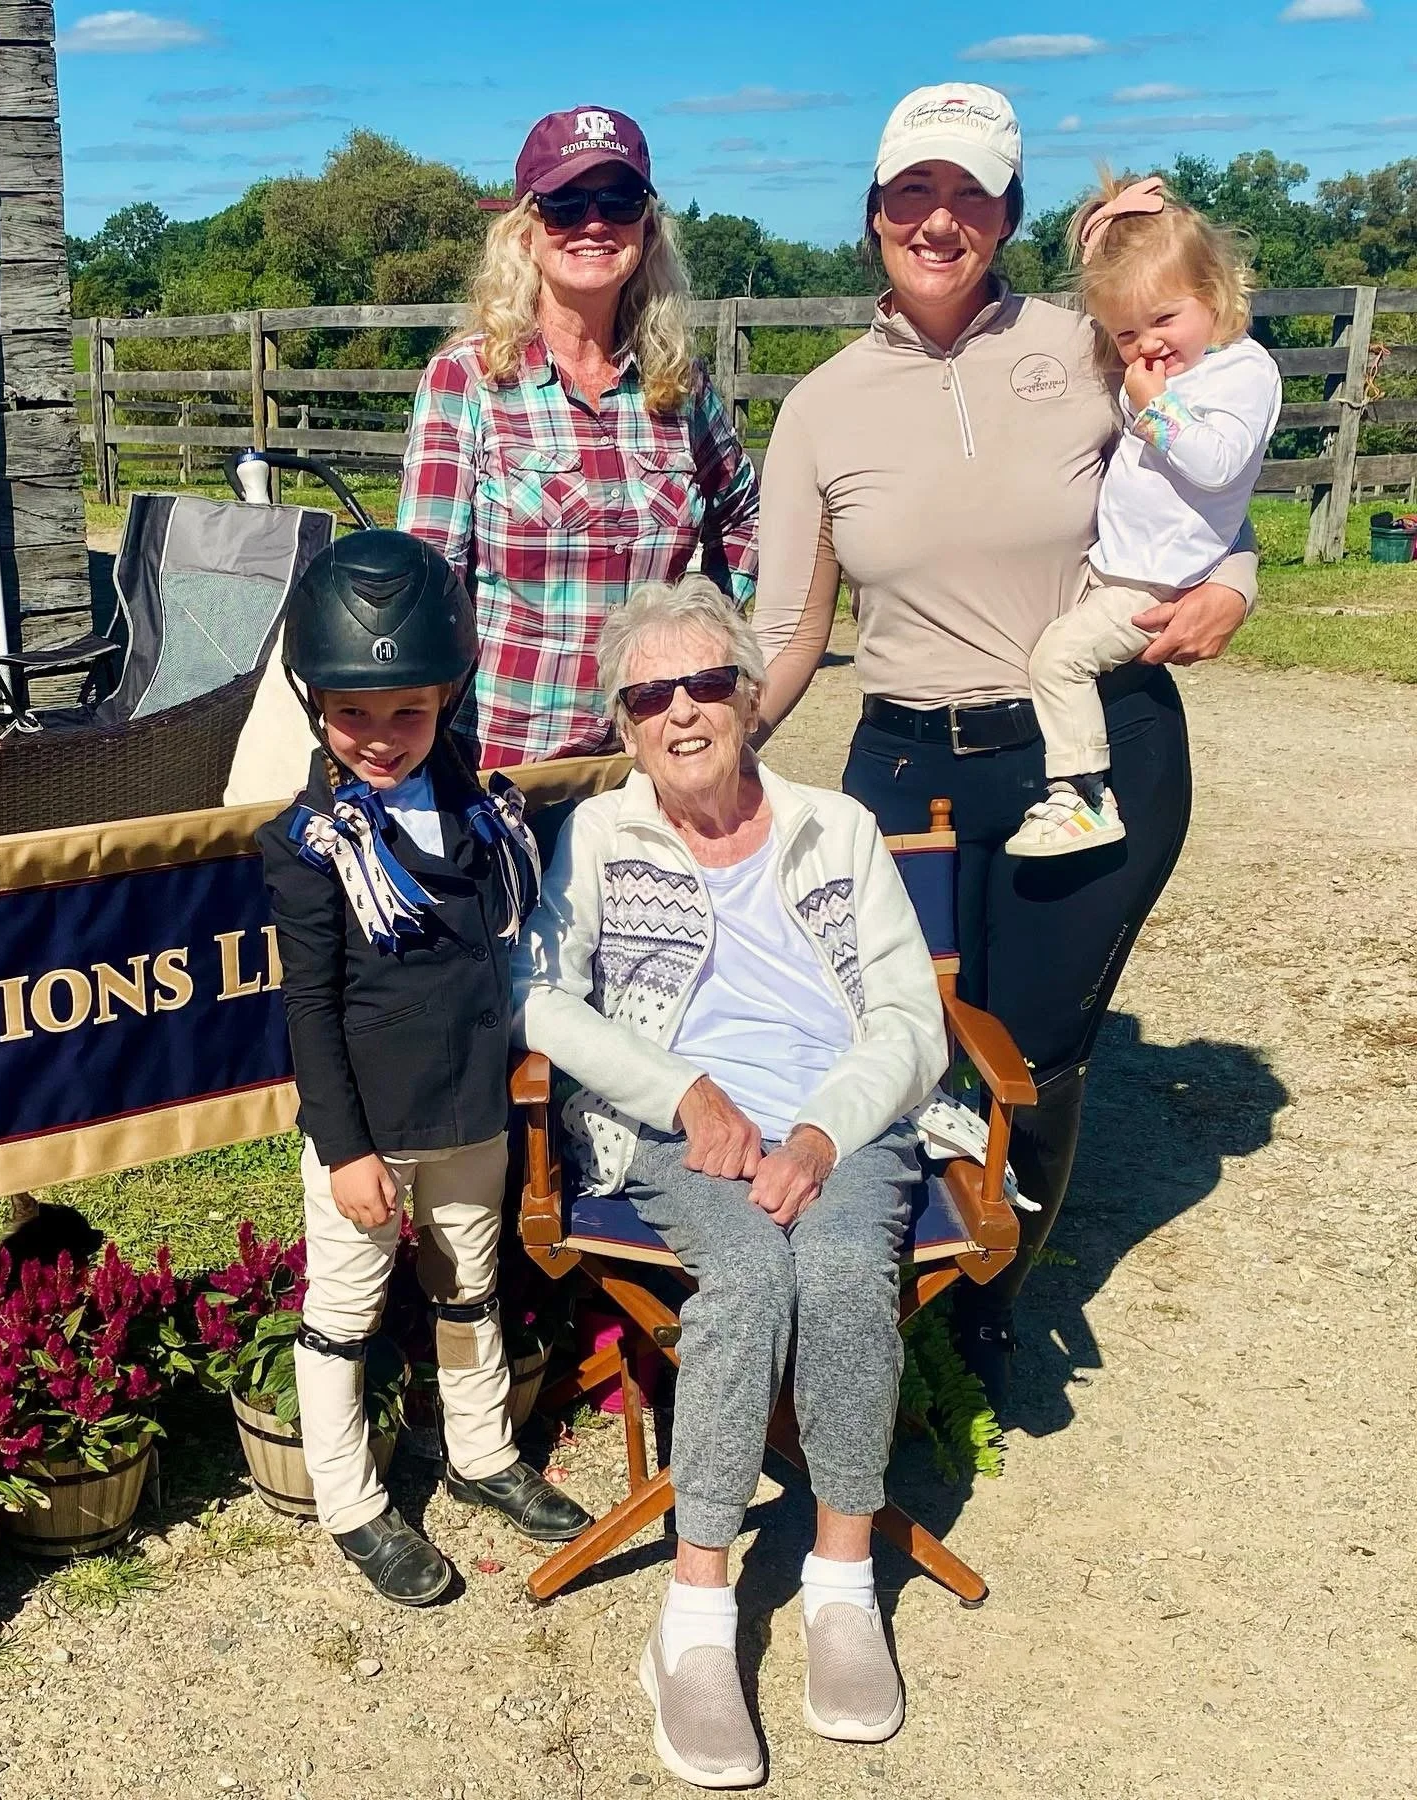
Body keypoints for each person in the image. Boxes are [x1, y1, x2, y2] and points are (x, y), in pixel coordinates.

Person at [751, 83, 1259, 1411]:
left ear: (1009, 216)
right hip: (908, 765)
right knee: (900, 1039)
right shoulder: (819, 408)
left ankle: (999, 1295)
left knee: (1035, 1044)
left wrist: (1240, 581)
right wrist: (706, 749)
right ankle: (889, 1279)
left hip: (1089, 750)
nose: (939, 218)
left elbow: (1201, 484)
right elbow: (792, 628)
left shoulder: (1091, 349)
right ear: (873, 216)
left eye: (969, 194)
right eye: (913, 192)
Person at [514, 576, 951, 1788]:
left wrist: (821, 1131)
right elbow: (540, 995)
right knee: (753, 1271)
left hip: (842, 1120)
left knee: (849, 1270)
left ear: (752, 700)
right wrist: (682, 1095)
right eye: (651, 695)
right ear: (623, 722)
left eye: (707, 683)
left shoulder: (837, 828)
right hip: (678, 1132)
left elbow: (914, 1022)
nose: (682, 712)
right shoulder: (601, 834)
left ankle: (842, 1584)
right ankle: (695, 1624)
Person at [257, 529, 591, 1607]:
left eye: (407, 710)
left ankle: (481, 1449)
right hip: (370, 1126)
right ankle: (352, 1500)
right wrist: (346, 1149)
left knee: (470, 1286)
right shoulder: (311, 842)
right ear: (315, 701)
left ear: (449, 692)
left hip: (471, 1106)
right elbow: (310, 1009)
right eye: (353, 711)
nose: (381, 737)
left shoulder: (482, 806)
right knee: (343, 1312)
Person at [396, 105, 759, 770]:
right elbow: (428, 589)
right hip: (508, 767)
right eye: (565, 204)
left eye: (618, 201)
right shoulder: (468, 381)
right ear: (525, 232)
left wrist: (708, 635)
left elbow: (742, 512)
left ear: (646, 229)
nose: (594, 223)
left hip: (651, 765)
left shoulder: (678, 383)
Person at [1005, 173, 1282, 857]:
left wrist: (1155, 406)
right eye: (1125, 333)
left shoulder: (1241, 375)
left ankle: (1083, 795)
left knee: (1059, 662)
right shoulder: (1176, 374)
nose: (1147, 345)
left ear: (1214, 297)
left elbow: (1219, 466)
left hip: (1153, 581)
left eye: (1164, 320)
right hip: (1124, 565)